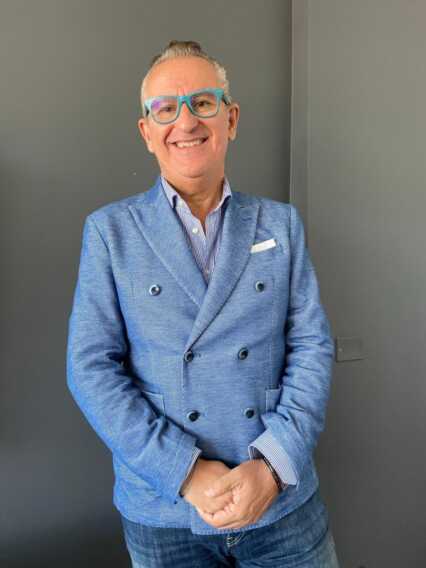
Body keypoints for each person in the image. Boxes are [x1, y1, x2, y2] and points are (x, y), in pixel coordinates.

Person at [66, 40, 340, 567]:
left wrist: (273, 466)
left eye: (203, 102)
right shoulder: (110, 232)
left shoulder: (280, 224)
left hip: (281, 503)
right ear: (147, 132)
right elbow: (90, 368)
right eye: (166, 109)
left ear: (230, 119)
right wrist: (184, 472)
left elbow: (311, 346)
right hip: (165, 508)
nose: (186, 121)